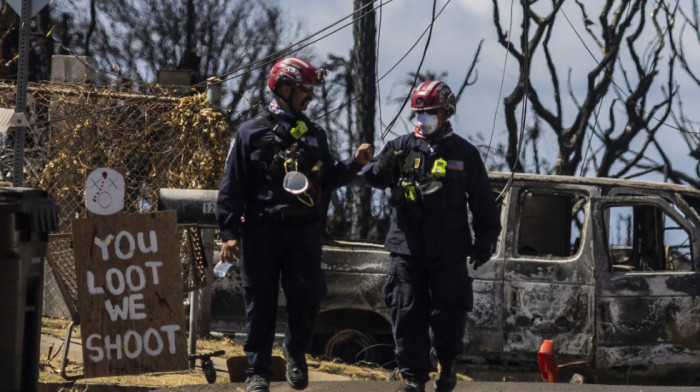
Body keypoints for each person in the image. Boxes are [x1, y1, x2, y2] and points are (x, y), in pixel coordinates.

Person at [215, 56, 373, 392]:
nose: (311, 97)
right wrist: (229, 233)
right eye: (305, 89)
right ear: (284, 87)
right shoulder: (250, 132)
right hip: (261, 229)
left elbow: (327, 177)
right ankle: (258, 371)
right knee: (260, 300)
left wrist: (354, 164)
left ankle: (295, 351)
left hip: (304, 231)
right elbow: (232, 187)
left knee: (307, 294)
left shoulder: (315, 135)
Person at [362, 80, 501, 392]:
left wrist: (485, 239)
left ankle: (447, 364)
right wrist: (382, 163)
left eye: (432, 112)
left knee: (448, 313)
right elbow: (373, 177)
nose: (425, 118)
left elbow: (482, 201)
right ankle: (412, 377)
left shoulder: (465, 153)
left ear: (447, 113)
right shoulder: (400, 147)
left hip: (449, 249)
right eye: (421, 112)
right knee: (406, 309)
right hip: (406, 248)